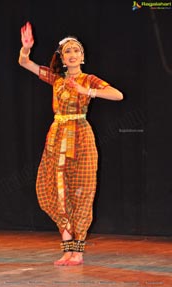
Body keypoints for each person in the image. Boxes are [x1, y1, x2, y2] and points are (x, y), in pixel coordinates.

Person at [19, 21, 123, 266]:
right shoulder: (56, 80)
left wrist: (88, 92)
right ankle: (67, 249)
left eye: (77, 50)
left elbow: (118, 95)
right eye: (68, 51)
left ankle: (79, 251)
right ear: (63, 58)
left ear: (83, 56)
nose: (73, 54)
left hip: (81, 138)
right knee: (56, 191)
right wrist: (26, 48)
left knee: (82, 191)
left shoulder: (89, 79)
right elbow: (25, 63)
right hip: (57, 139)